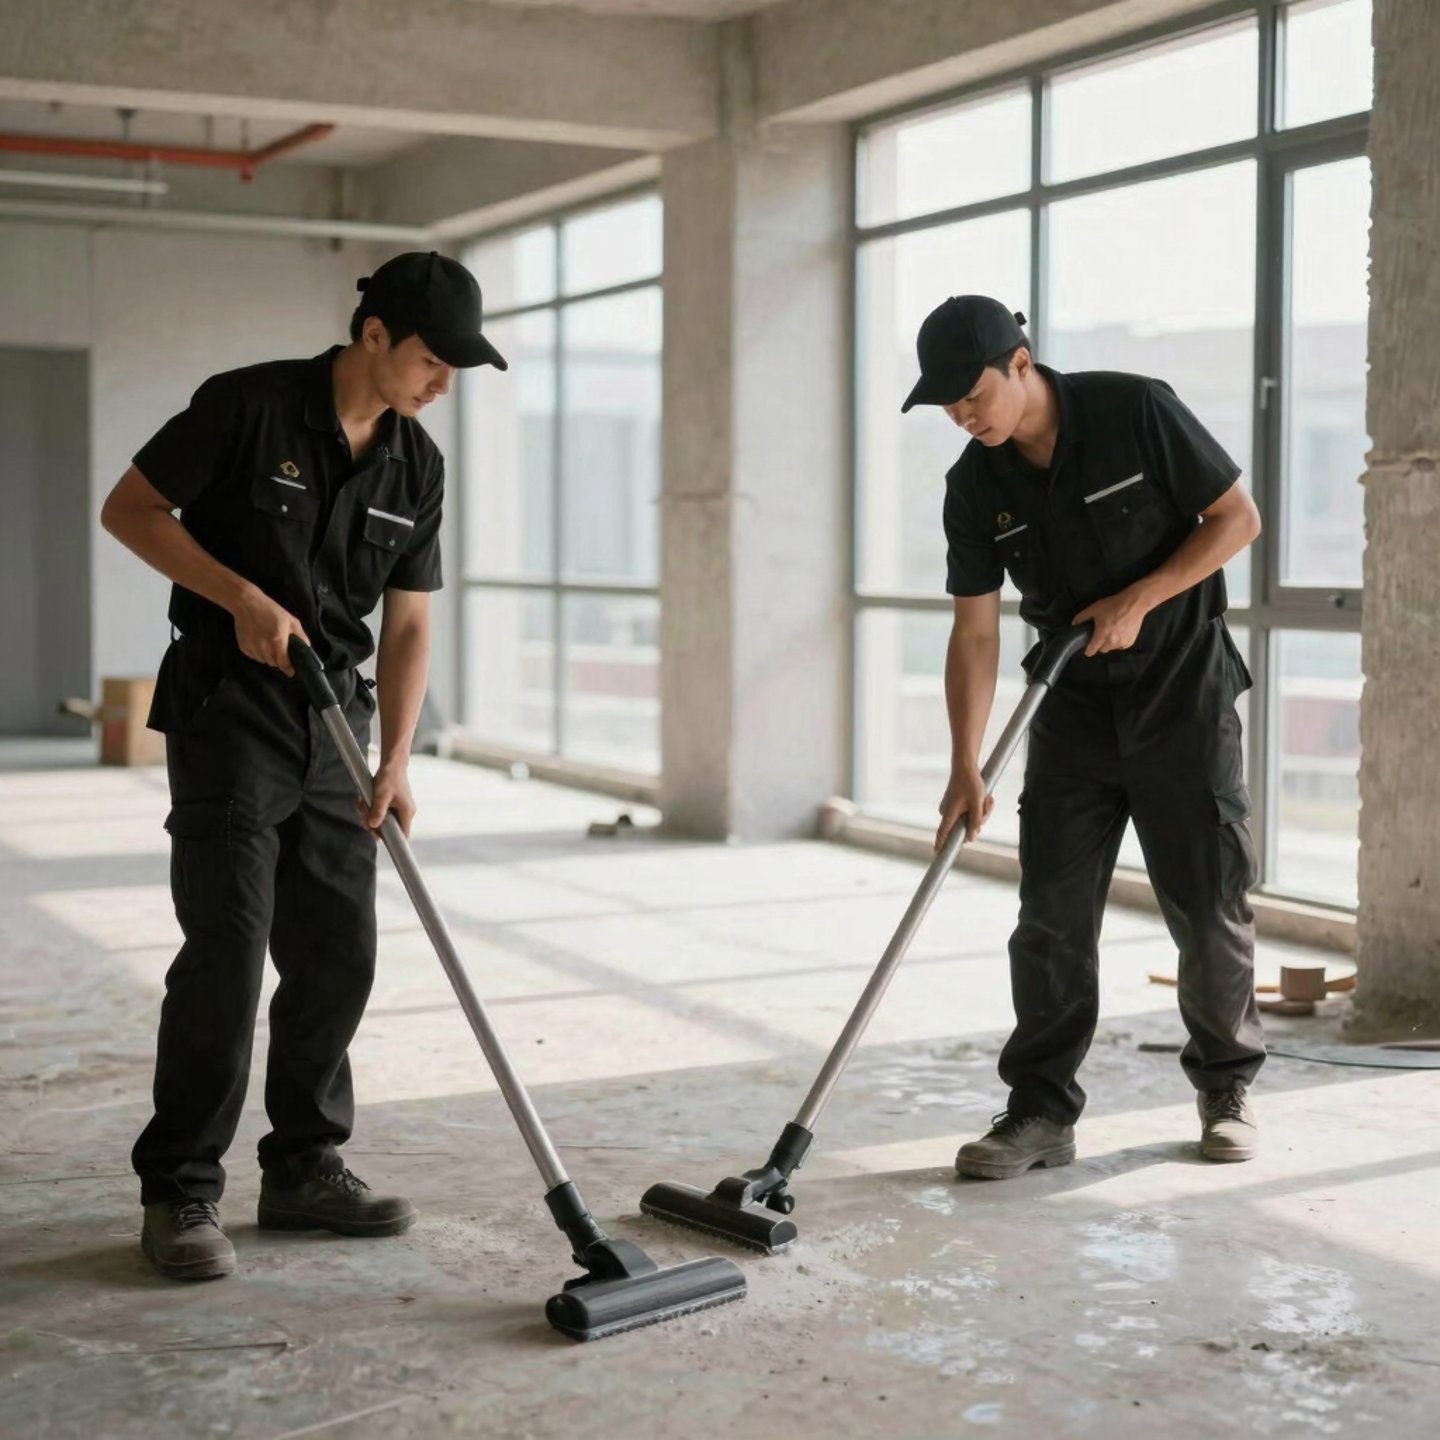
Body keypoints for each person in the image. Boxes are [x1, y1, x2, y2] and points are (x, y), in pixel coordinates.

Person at [100, 252, 507, 1279]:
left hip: (339, 729)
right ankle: (182, 1190)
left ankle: (305, 1167)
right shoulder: (246, 407)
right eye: (432, 360)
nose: (442, 384)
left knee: (338, 951)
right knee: (229, 954)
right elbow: (131, 511)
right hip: (227, 710)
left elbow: (410, 624)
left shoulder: (418, 465)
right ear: (375, 336)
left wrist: (399, 754)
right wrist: (235, 593)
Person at [900, 295, 1266, 1180]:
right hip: (1069, 714)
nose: (963, 416)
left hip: (1184, 698)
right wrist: (963, 765)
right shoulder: (975, 485)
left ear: (1020, 363)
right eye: (947, 405)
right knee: (1051, 919)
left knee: (1207, 905)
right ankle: (1039, 1113)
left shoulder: (1134, 409)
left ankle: (1226, 1089)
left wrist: (1139, 599)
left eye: (972, 394)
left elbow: (1236, 521)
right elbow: (977, 632)